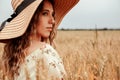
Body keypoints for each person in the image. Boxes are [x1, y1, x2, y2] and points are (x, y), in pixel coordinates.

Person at [0, 0, 79, 80]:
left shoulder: (10, 56)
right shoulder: (45, 51)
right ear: (31, 18)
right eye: (45, 13)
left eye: (52, 14)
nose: (52, 21)